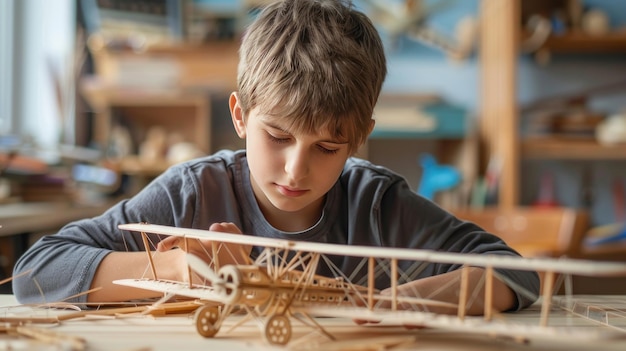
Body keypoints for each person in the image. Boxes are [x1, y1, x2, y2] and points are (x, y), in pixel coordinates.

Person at [13, 0, 539, 315]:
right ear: (240, 115)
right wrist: (176, 268)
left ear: (359, 138)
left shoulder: (375, 204)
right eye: (278, 137)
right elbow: (36, 271)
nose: (295, 169)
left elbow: (516, 276)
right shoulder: (194, 191)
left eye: (328, 148)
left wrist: (394, 303)